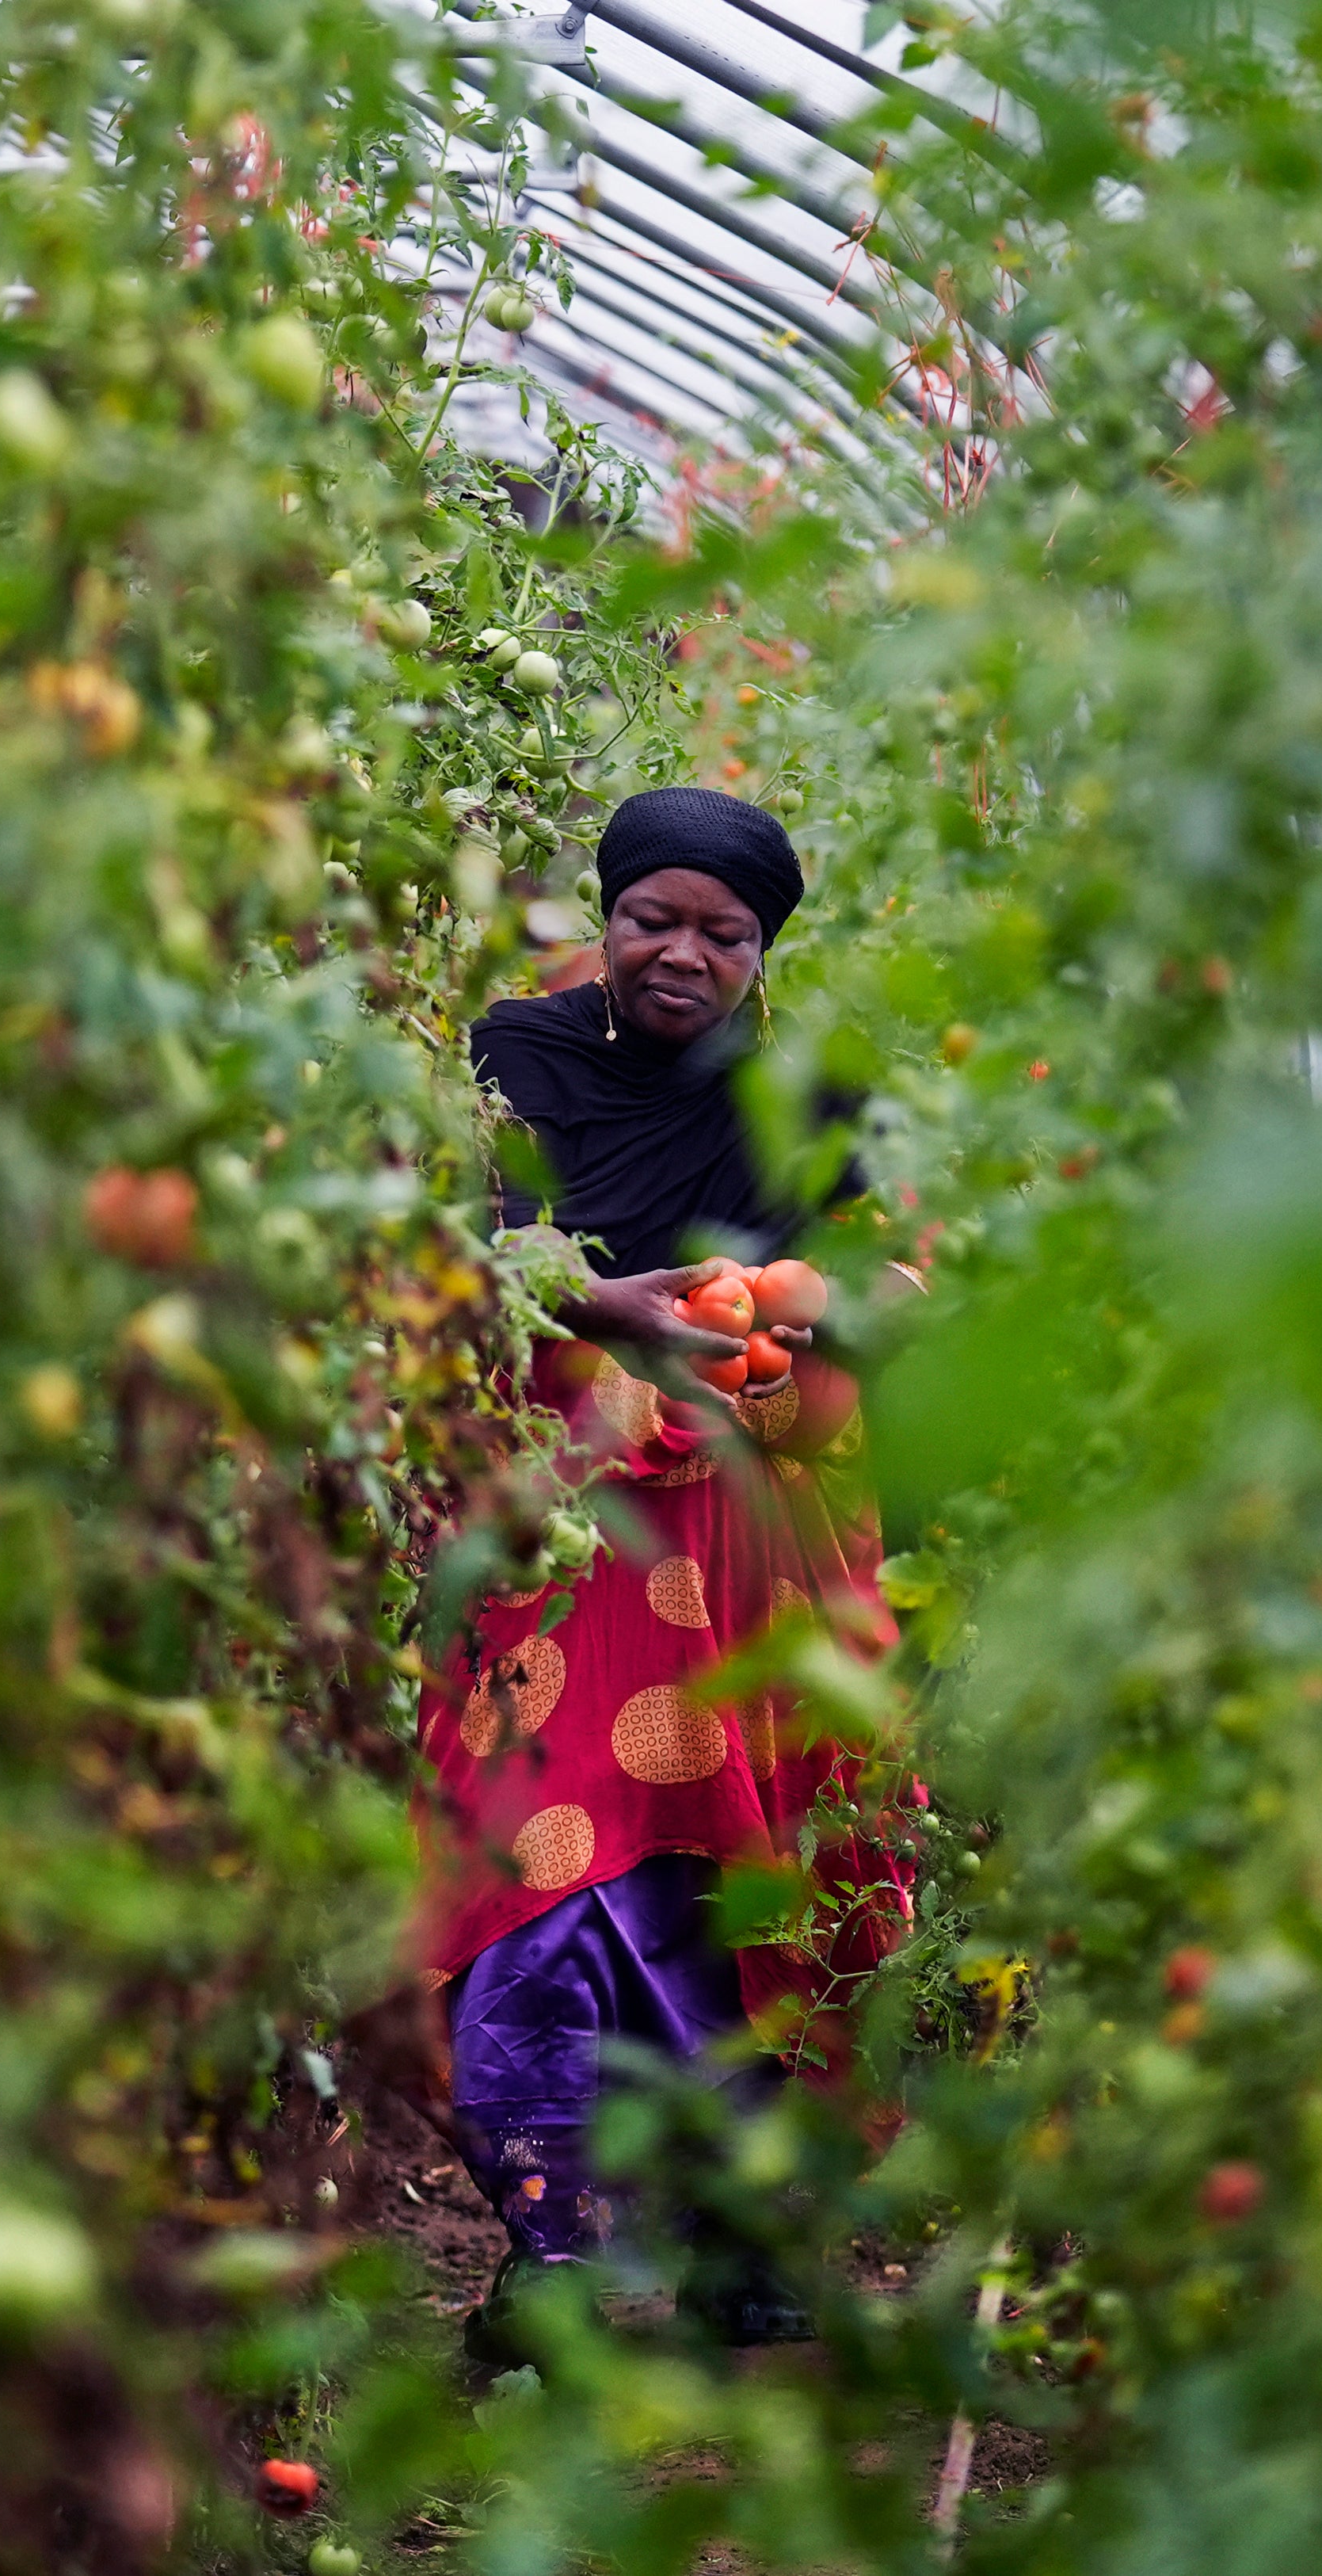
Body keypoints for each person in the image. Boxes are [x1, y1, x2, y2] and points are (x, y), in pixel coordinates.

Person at [416, 784, 920, 2355]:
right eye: (651, 919)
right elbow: (457, 1250)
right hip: (566, 1530)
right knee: (529, 1863)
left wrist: (795, 1303)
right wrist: (602, 1308)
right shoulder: (514, 1060)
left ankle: (739, 2235)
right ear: (606, 915)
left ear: (765, 950)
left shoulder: (815, 1098)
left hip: (758, 1528)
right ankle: (549, 2254)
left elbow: (896, 1273)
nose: (680, 953)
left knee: (748, 1860)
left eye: (721, 932)